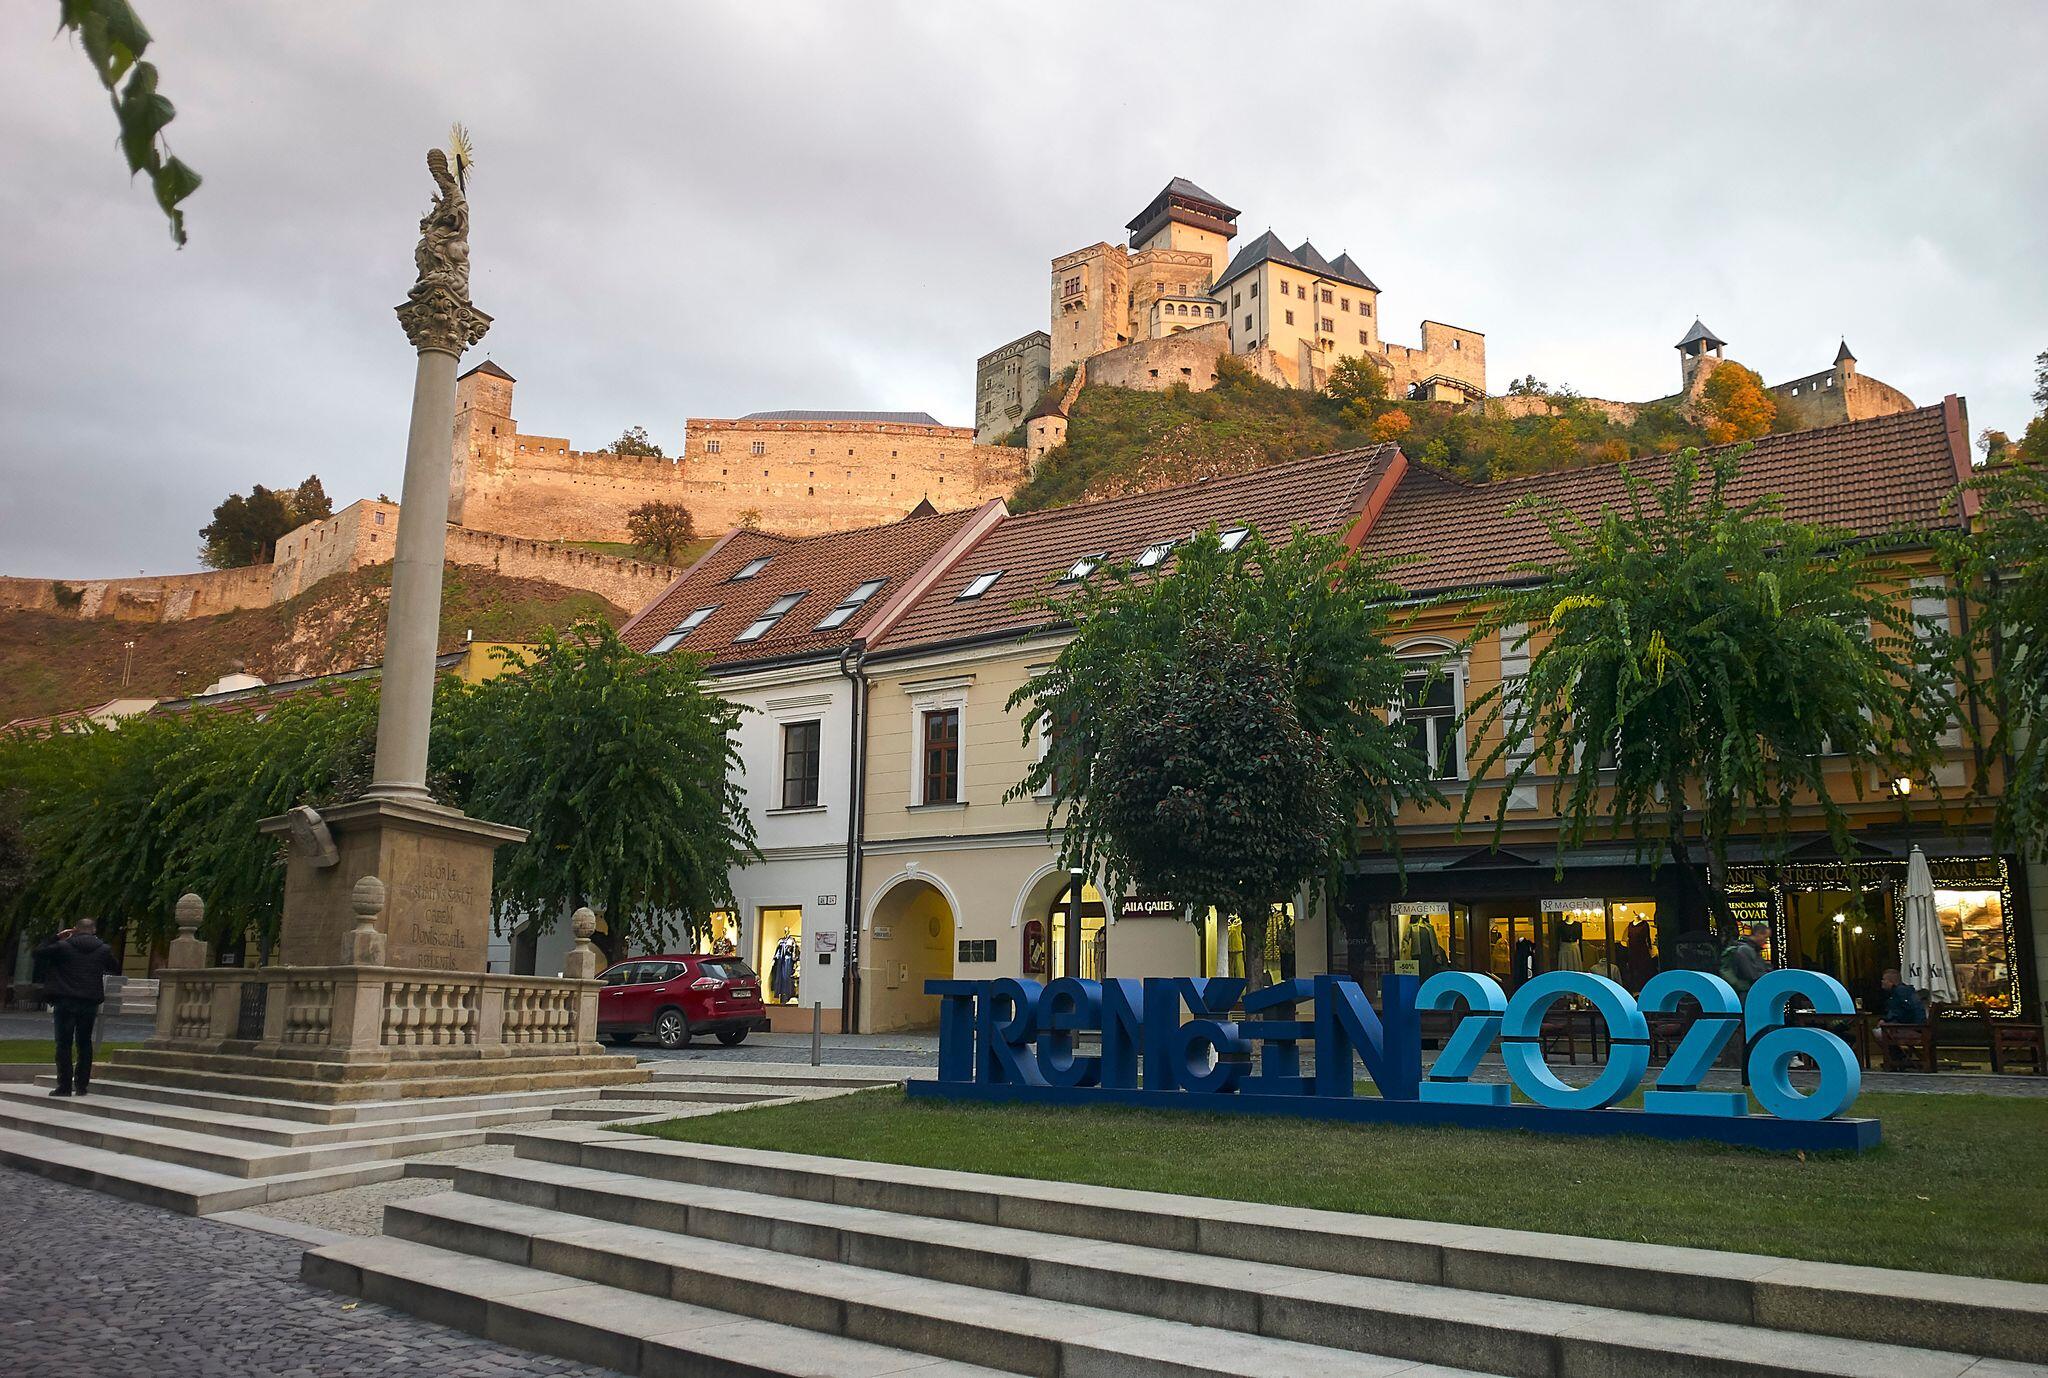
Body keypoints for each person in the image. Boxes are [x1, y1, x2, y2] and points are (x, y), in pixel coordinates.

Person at [32, 918, 120, 1097]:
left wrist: (56, 937)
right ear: (94, 930)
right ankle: (81, 1085)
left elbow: (38, 953)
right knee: (85, 1043)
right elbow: (115, 967)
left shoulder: (62, 947)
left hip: (65, 999)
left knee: (63, 1043)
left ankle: (64, 1086)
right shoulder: (103, 949)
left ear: (75, 930)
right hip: (89, 1001)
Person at [1875, 968, 1929, 1071]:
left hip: (1913, 1029)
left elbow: (1900, 1012)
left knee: (1879, 1033)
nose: (1882, 982)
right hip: (1918, 1027)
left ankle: (1898, 1059)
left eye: (1884, 979)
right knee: (1883, 1030)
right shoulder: (1904, 991)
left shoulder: (1899, 992)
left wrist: (1886, 1020)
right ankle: (1899, 1058)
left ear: (1891, 981)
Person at [1718, 922, 1771, 997]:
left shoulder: (1753, 949)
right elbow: (1751, 975)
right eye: (1765, 937)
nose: (1765, 941)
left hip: (1749, 991)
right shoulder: (1745, 950)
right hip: (1745, 993)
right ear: (1758, 934)